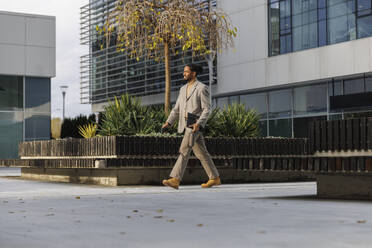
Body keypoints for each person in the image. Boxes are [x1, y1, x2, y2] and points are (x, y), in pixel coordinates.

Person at [161, 64, 221, 190]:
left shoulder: (201, 88)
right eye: (184, 71)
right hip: (185, 125)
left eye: (186, 72)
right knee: (202, 153)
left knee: (184, 150)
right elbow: (177, 108)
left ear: (193, 73)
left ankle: (175, 179)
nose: (184, 73)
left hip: (194, 125)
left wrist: (199, 123)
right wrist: (169, 122)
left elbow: (207, 109)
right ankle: (214, 178)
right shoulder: (183, 89)